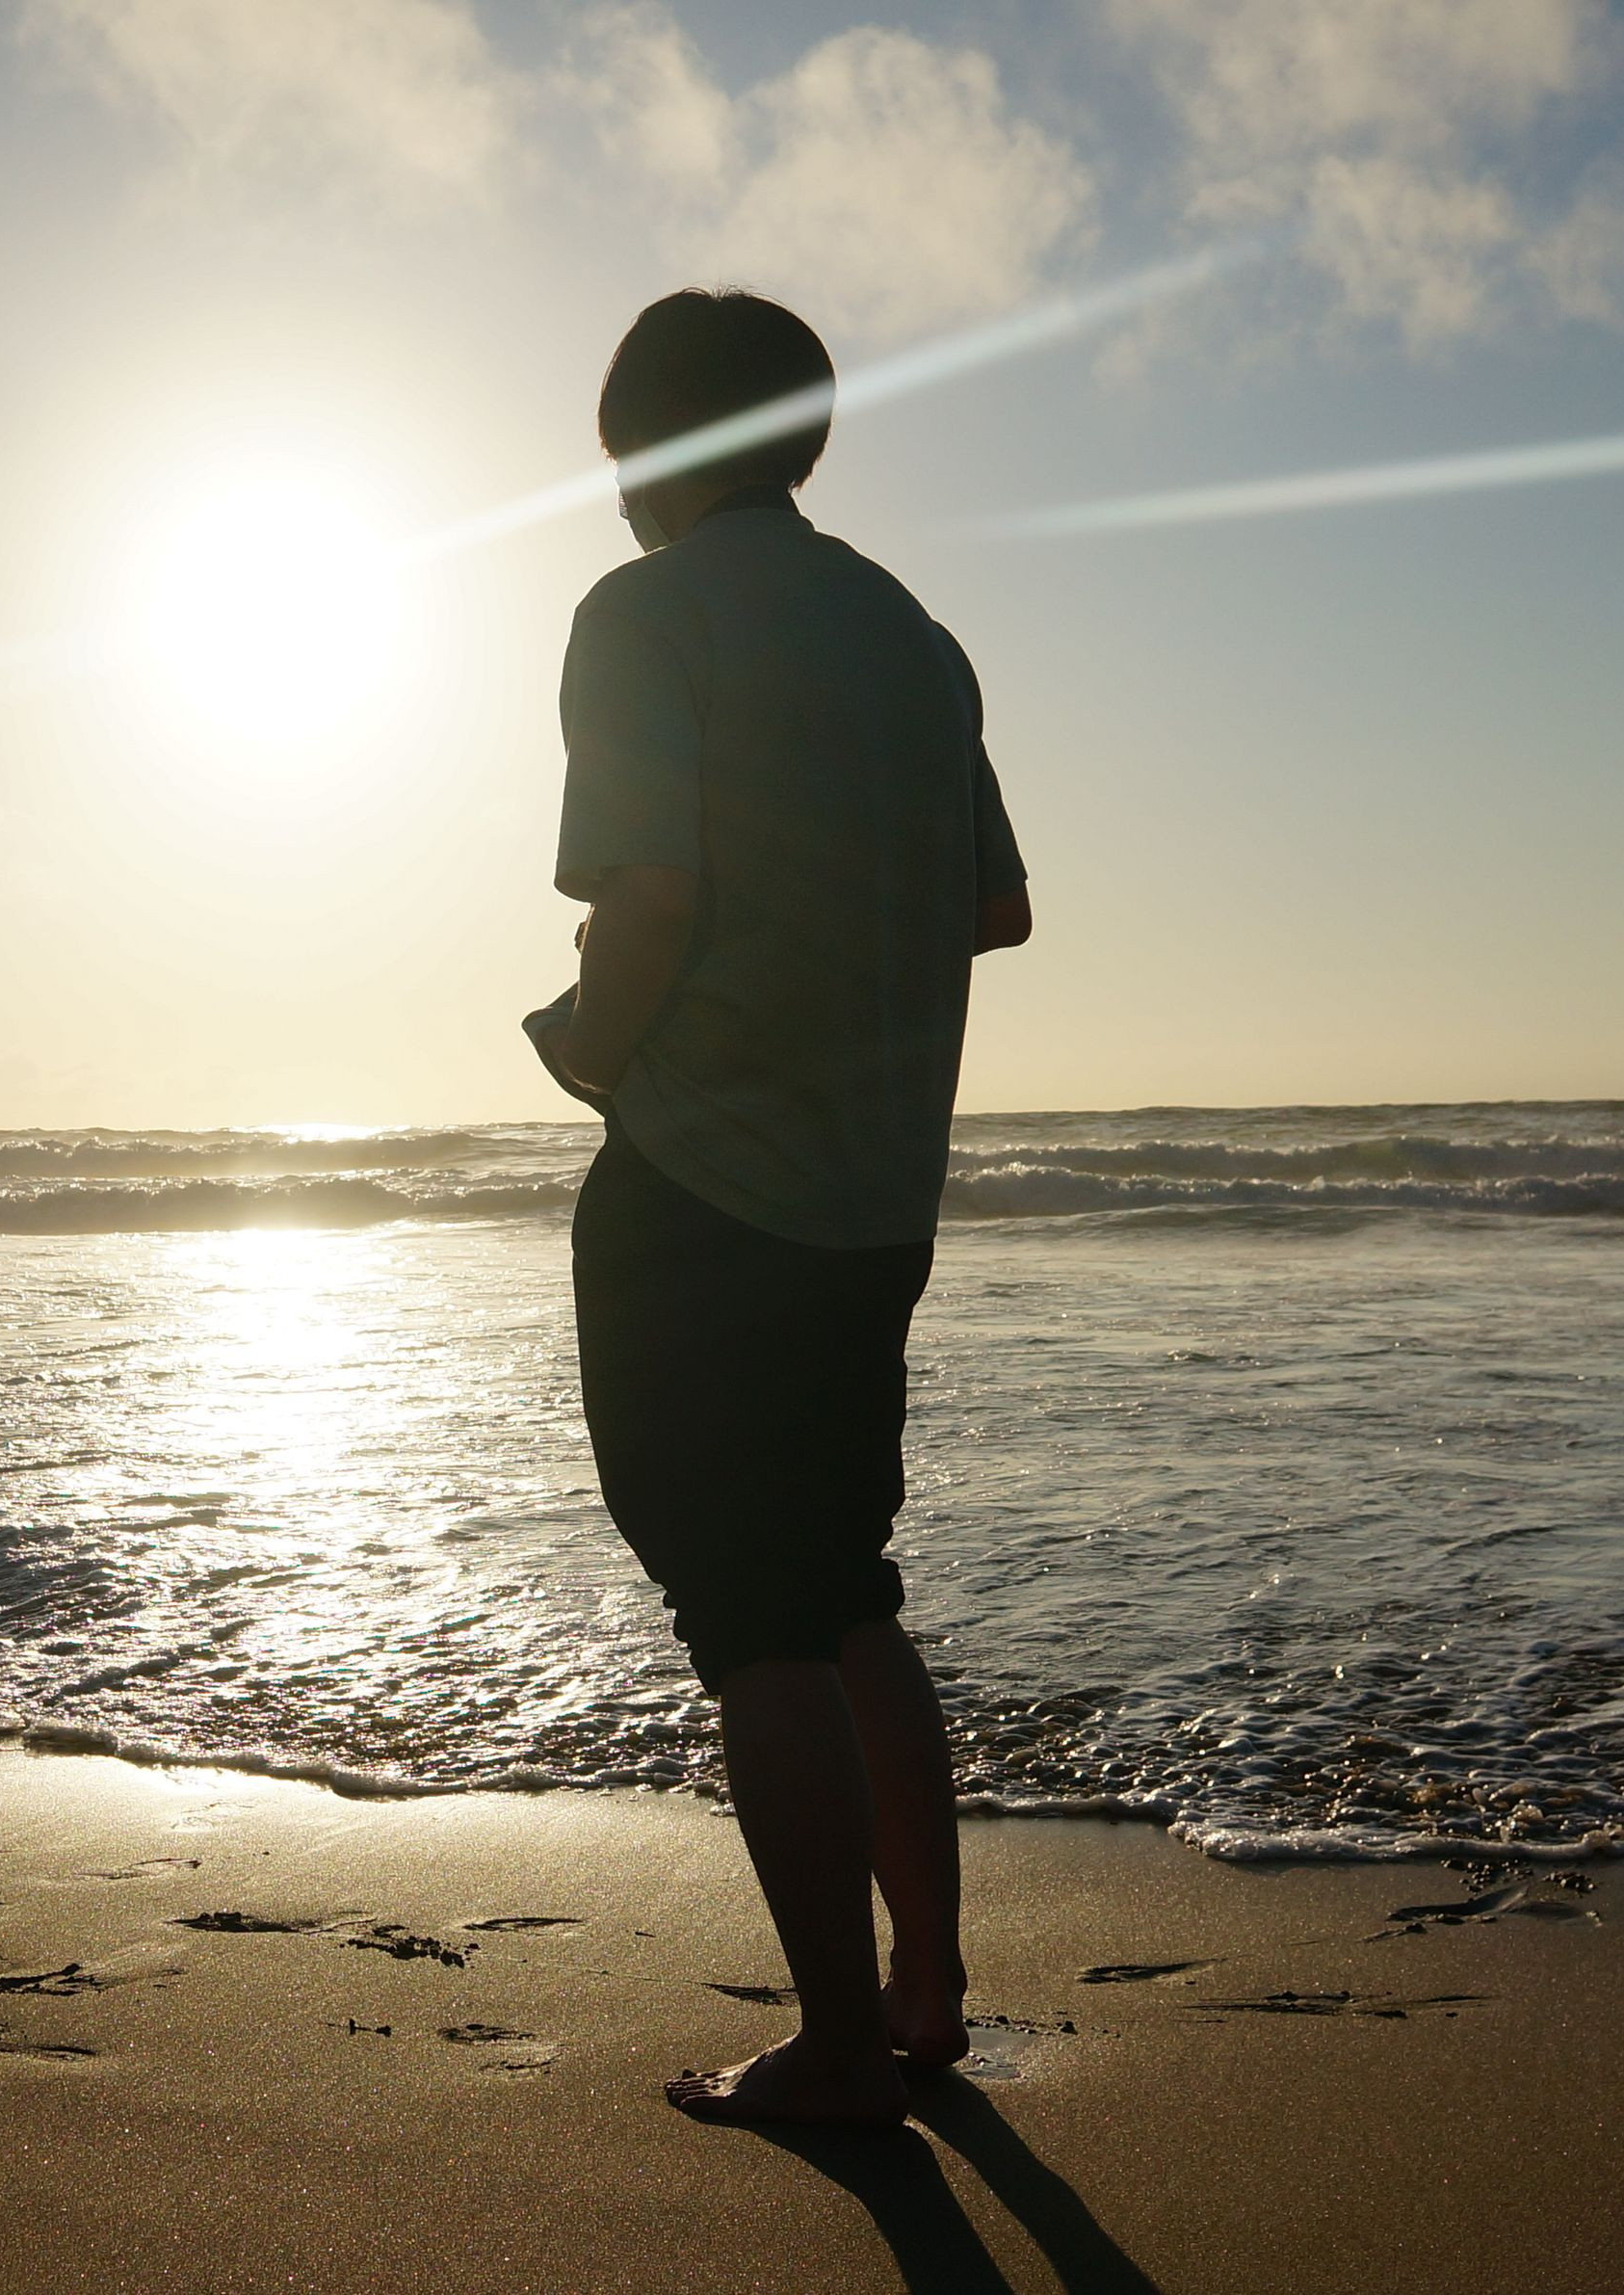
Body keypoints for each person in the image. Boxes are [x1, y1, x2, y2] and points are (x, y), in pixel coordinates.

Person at [537, 288, 1033, 2129]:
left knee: (755, 1616)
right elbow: (994, 905)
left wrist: (590, 1041)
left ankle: (833, 2045)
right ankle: (924, 1985)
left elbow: (650, 893)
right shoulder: (909, 631)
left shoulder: (645, 614)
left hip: (704, 1181)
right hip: (876, 1193)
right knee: (845, 1593)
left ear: (653, 450)